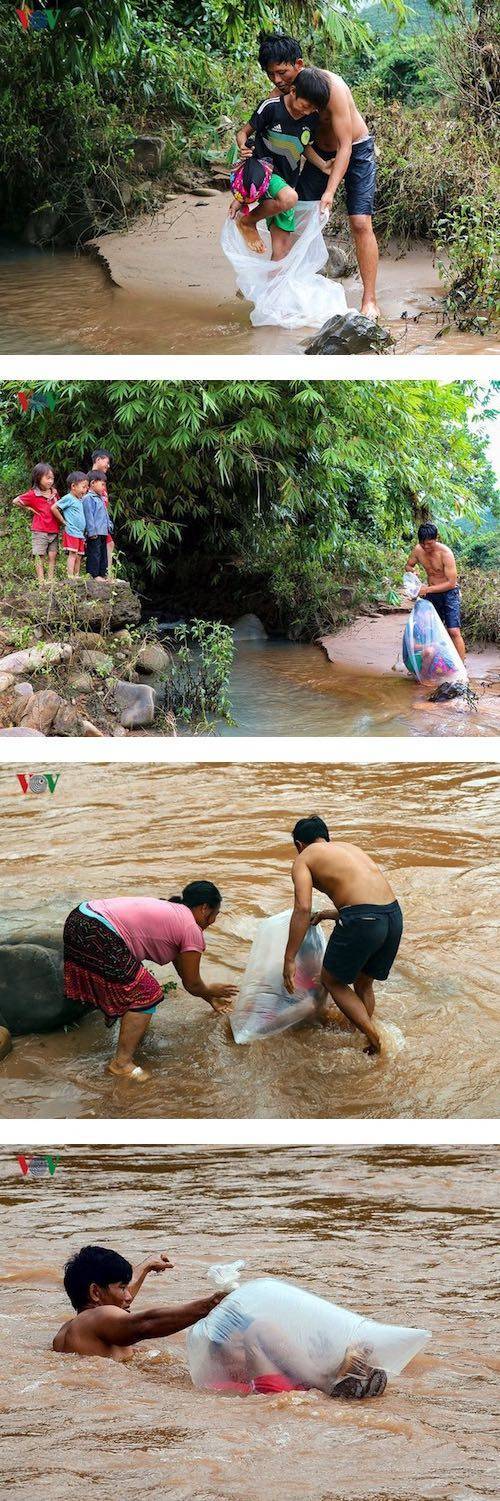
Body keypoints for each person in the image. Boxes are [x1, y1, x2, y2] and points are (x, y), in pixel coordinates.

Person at [256, 33, 379, 316]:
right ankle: (282, 292)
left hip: (355, 149)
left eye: (282, 72)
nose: (277, 80)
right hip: (316, 155)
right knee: (296, 219)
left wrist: (330, 191)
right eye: (270, 74)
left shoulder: (330, 87)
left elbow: (346, 145)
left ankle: (369, 300)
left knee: (360, 222)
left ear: (298, 64)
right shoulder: (282, 97)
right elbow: (284, 141)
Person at [63, 882, 238, 1079]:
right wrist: (211, 991)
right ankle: (121, 1064)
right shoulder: (191, 928)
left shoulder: (174, 913)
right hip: (98, 929)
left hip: (79, 918)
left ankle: (130, 1039)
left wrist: (209, 998)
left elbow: (185, 976)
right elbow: (193, 984)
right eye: (215, 914)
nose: (213, 921)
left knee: (133, 982)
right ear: (204, 908)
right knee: (147, 993)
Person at [283, 816, 403, 1054]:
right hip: (393, 916)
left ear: (299, 845)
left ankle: (374, 1037)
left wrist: (289, 959)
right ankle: (365, 1035)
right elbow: (369, 899)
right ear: (326, 837)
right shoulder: (349, 849)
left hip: (364, 920)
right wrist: (330, 914)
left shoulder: (304, 858)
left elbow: (302, 908)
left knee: (331, 980)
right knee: (363, 983)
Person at [53, 1243, 226, 1361]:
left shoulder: (72, 1327)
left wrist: (147, 1265)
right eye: (122, 1288)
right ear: (95, 1292)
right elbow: (146, 1323)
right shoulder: (97, 1317)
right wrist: (211, 1303)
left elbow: (118, 1303)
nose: (128, 1297)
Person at [233, 68, 331, 261]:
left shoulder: (310, 119)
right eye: (306, 105)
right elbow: (243, 133)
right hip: (265, 173)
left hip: (287, 180)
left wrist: (323, 165)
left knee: (282, 251)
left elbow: (302, 146)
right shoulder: (271, 107)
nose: (308, 111)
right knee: (290, 198)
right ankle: (248, 222)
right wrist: (242, 146)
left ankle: (266, 290)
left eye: (313, 109)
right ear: (293, 91)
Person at [405, 522, 466, 661]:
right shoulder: (418, 550)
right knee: (430, 630)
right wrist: (413, 572)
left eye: (430, 543)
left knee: (454, 631)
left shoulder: (446, 553)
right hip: (431, 595)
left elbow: (451, 583)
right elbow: (408, 565)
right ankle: (432, 665)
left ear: (436, 538)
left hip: (449, 594)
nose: (426, 547)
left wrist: (427, 589)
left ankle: (461, 668)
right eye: (423, 543)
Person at [11, 461, 60, 584]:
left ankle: (50, 580)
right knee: (40, 555)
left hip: (54, 529)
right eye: (47, 478)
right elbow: (16, 501)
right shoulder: (33, 494)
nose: (50, 481)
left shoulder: (54, 493)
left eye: (52, 478)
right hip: (39, 530)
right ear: (38, 478)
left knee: (52, 556)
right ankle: (41, 581)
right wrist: (29, 508)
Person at [51, 471, 88, 578]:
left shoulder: (79, 500)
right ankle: (70, 575)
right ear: (73, 486)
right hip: (72, 531)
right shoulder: (69, 498)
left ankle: (76, 575)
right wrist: (63, 521)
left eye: (86, 487)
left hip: (80, 533)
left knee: (79, 555)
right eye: (83, 487)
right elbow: (54, 508)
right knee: (73, 554)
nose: (85, 490)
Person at [83, 470, 113, 579]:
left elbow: (105, 514)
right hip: (95, 531)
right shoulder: (88, 498)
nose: (104, 488)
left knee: (103, 554)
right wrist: (91, 531)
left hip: (103, 531)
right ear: (93, 483)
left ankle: (102, 574)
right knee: (94, 553)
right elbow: (88, 515)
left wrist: (109, 525)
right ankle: (93, 574)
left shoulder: (100, 498)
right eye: (102, 484)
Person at [90, 448, 114, 576]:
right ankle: (103, 574)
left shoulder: (100, 478)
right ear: (98, 460)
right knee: (105, 545)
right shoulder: (89, 479)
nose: (108, 466)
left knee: (109, 544)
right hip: (95, 523)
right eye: (107, 462)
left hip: (102, 521)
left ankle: (106, 574)